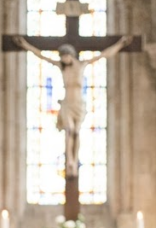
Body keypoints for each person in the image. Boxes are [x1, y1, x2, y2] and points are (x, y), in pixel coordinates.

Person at [13, 35, 132, 177]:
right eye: (62, 57)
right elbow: (41, 56)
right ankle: (69, 160)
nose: (63, 59)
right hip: (67, 103)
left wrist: (120, 44)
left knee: (76, 132)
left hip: (79, 104)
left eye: (65, 56)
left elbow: (104, 54)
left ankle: (75, 160)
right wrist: (25, 45)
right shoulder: (61, 67)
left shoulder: (82, 65)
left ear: (71, 55)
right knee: (69, 130)